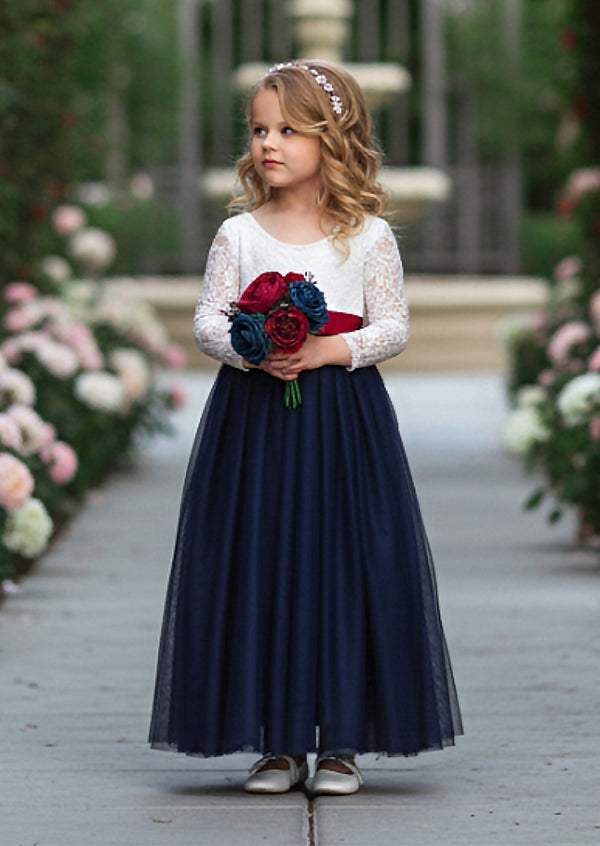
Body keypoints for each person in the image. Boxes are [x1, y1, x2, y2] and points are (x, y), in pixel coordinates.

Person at [148, 59, 463, 796]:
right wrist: (249, 350)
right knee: (258, 559)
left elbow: (394, 326)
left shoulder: (368, 235)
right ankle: (277, 744)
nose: (268, 143)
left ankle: (343, 741)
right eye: (259, 129)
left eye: (288, 129)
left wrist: (330, 348)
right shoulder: (239, 236)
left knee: (344, 563)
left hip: (344, 424)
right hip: (253, 423)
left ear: (333, 136)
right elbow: (204, 321)